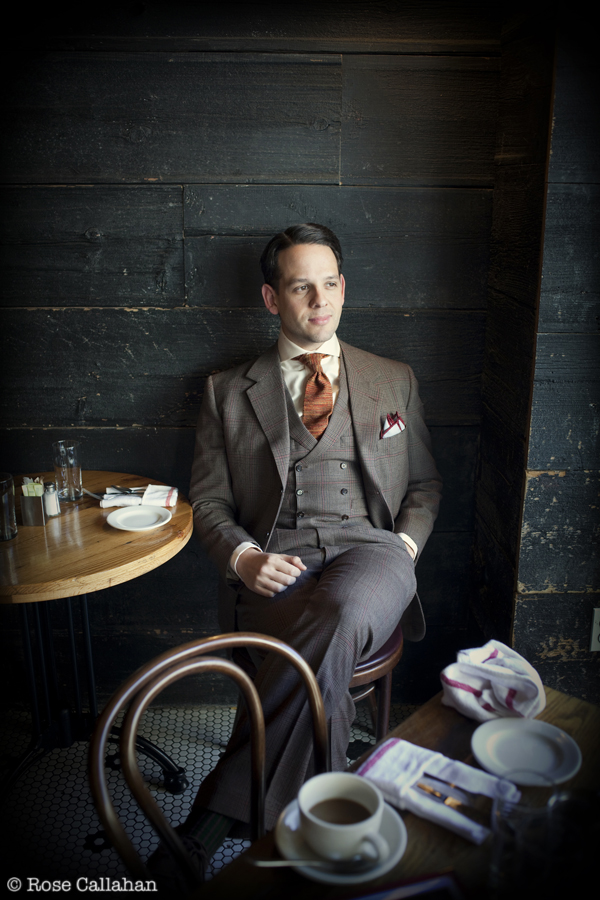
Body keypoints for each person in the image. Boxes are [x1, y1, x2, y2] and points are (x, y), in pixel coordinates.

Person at [162, 223, 441, 877]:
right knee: (320, 660)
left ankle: (210, 824)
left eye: (330, 283)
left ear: (343, 287)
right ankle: (317, 828)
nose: (320, 300)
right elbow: (208, 503)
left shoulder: (393, 378)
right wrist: (244, 559)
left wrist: (403, 547)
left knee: (341, 612)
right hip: (277, 564)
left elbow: (425, 484)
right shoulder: (226, 391)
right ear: (271, 298)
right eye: (300, 287)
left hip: (373, 553)